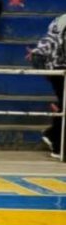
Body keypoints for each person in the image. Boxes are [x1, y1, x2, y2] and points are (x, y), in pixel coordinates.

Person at [29, 11, 66, 157]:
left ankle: (52, 135)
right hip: (59, 69)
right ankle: (56, 141)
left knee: (64, 105)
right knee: (64, 105)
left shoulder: (61, 19)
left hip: (55, 66)